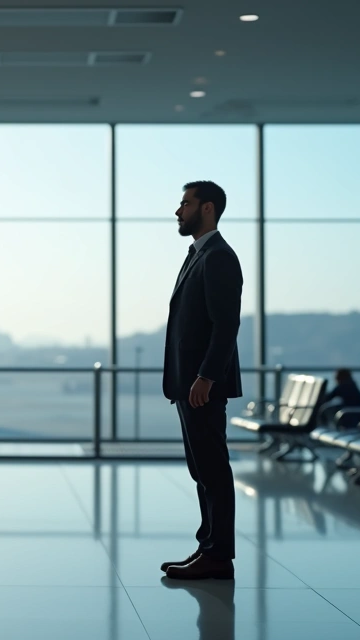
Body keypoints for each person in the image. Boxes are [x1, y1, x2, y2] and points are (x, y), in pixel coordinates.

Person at [161, 180, 243, 581]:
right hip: (190, 384)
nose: (178, 211)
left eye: (185, 203)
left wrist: (207, 376)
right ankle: (209, 547)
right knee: (202, 470)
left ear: (207, 208)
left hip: (201, 385)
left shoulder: (219, 257)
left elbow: (226, 325)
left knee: (212, 469)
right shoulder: (200, 254)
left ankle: (218, 555)